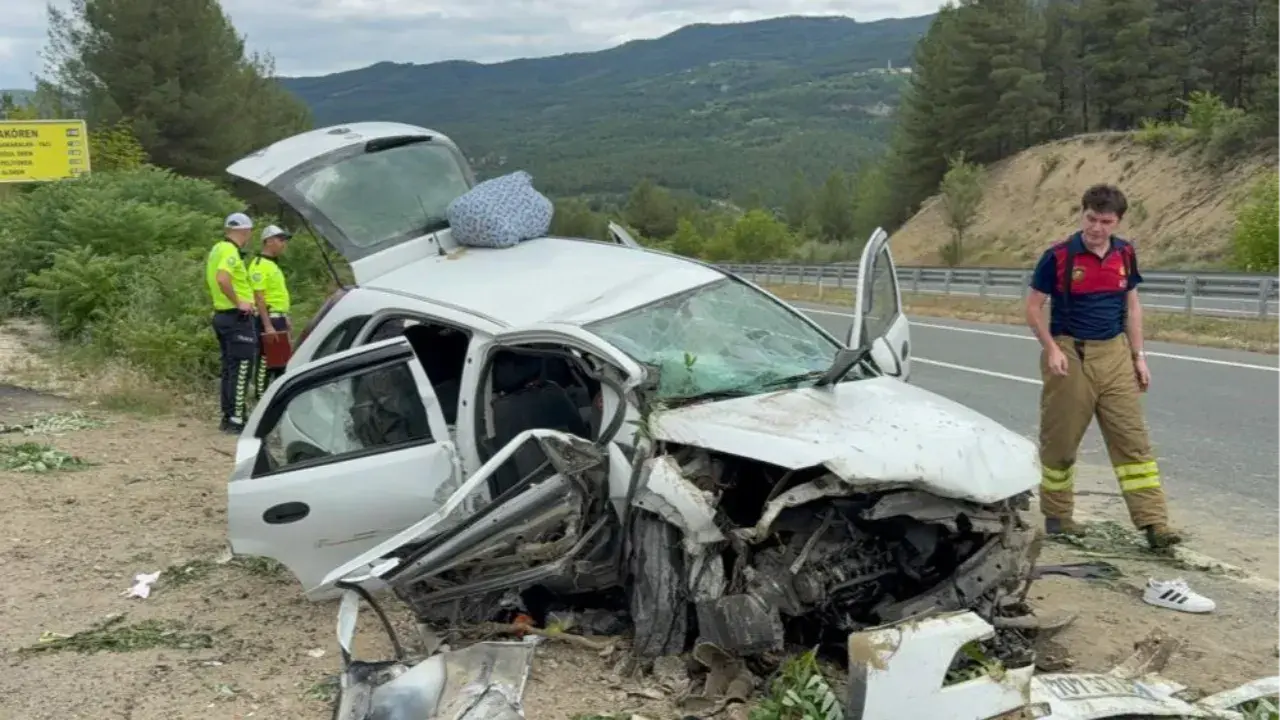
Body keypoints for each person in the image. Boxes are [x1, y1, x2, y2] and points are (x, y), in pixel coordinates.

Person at [1025, 184, 1180, 550]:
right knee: (1061, 442)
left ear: (1118, 221)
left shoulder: (1125, 253)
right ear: (1082, 214)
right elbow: (1032, 307)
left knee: (1133, 442)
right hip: (1071, 353)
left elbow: (1133, 307)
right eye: (1091, 219)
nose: (1096, 228)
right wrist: (1051, 349)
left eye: (1105, 221)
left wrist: (1138, 356)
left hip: (1115, 354)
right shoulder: (1058, 256)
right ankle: (1058, 517)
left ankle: (1154, 524)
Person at [207, 212, 258, 434]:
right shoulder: (229, 251)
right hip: (236, 317)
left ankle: (228, 416)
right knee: (242, 367)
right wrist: (240, 303)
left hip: (223, 315)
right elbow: (222, 278)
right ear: (245, 231)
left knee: (230, 367)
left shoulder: (217, 248)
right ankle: (237, 419)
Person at [249, 224, 293, 398]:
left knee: (281, 362)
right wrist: (267, 326)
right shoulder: (259, 265)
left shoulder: (273, 265)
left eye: (284, 240)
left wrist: (285, 316)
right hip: (269, 318)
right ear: (268, 241)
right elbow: (259, 297)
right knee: (266, 361)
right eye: (280, 240)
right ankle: (261, 397)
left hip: (279, 317)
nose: (283, 244)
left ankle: (277, 397)